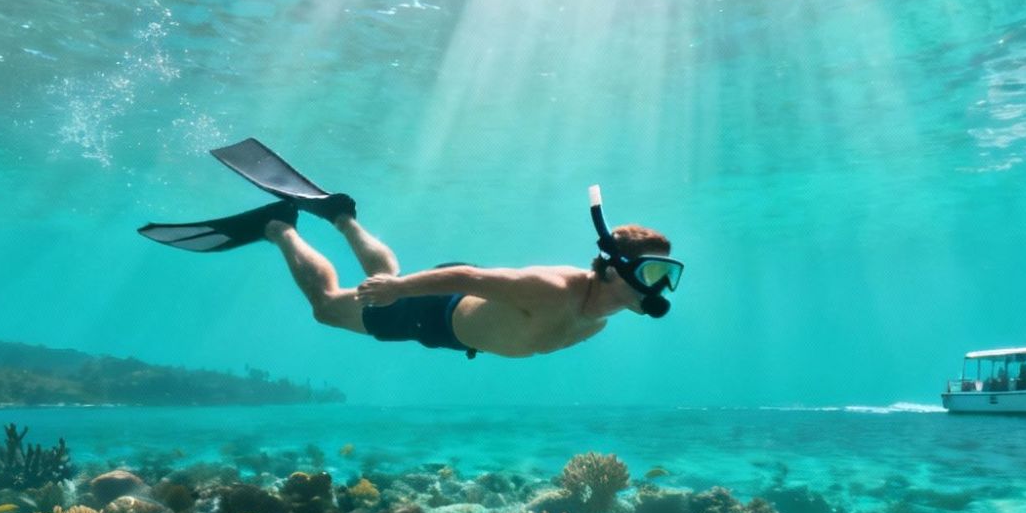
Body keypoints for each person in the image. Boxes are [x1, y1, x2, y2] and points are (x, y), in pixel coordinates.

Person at [140, 140, 682, 359]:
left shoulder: (601, 321)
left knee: (380, 279)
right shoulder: (554, 289)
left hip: (446, 326)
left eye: (667, 277)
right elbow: (470, 276)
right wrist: (399, 291)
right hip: (434, 308)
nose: (659, 288)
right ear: (614, 270)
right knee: (329, 309)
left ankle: (340, 214)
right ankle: (278, 227)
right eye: (654, 272)